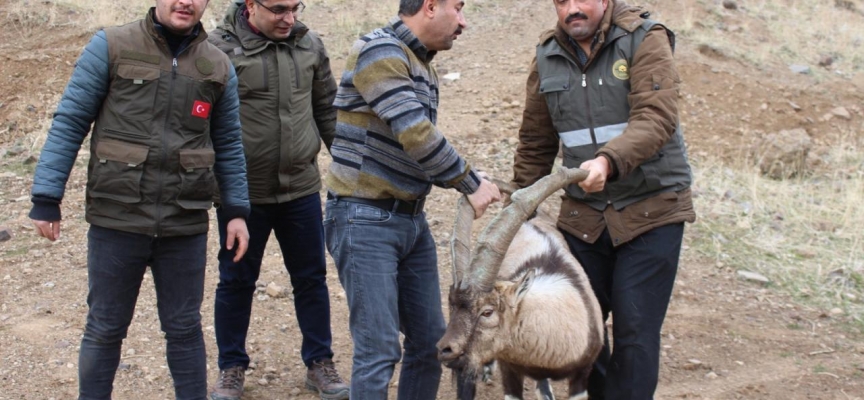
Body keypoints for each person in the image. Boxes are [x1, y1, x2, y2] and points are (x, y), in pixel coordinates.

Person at [28, 0, 251, 398]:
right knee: (105, 327)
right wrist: (47, 195)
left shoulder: (217, 64)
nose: (186, 2)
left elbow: (229, 143)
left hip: (185, 221)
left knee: (184, 329)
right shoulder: (111, 45)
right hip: (118, 215)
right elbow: (71, 120)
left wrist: (235, 211)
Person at [511, 0, 696, 398]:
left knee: (635, 333)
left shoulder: (645, 39)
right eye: (561, 1)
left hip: (652, 211)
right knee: (582, 328)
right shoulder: (547, 56)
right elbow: (535, 142)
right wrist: (518, 210)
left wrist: (608, 162)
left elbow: (656, 117)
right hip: (585, 220)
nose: (572, 8)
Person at [323, 0, 501, 397]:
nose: (464, 21)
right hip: (364, 218)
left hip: (410, 221)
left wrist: (466, 177)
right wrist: (469, 182)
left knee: (428, 343)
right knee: (378, 349)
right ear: (431, 6)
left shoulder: (421, 63)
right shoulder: (381, 51)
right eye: (458, 8)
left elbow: (411, 150)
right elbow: (415, 133)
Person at [206, 1, 348, 399]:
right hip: (242, 195)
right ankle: (231, 367)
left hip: (300, 187)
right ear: (251, 5)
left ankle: (319, 362)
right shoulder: (217, 50)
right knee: (236, 281)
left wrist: (352, 173)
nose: (290, 18)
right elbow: (201, 124)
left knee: (311, 278)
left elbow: (328, 111)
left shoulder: (310, 46)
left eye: (296, 8)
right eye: (279, 10)